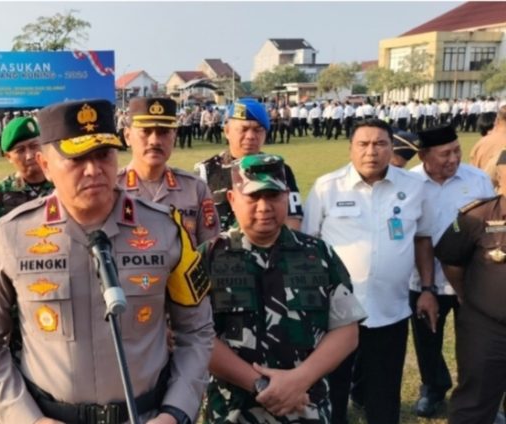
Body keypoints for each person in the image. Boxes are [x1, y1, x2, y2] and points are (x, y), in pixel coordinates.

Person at [0, 99, 215, 424]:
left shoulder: (166, 229)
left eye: (103, 154)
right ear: (45, 164)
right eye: (77, 158)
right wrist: (24, 418)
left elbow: (196, 330)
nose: (94, 169)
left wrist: (176, 412)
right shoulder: (11, 236)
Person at [202, 154, 366, 423]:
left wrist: (299, 380)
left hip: (305, 408)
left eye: (273, 196)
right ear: (232, 199)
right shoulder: (209, 257)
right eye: (253, 197)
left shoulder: (318, 254)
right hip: (233, 412)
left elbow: (347, 331)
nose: (264, 206)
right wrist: (261, 385)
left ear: (287, 197)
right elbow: (196, 335)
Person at [302, 118, 437, 424]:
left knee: (384, 394)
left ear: (393, 148)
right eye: (363, 144)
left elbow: (422, 239)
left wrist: (427, 289)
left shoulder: (414, 188)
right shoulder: (327, 187)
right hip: (336, 314)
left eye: (380, 144)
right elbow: (309, 246)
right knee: (332, 391)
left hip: (390, 311)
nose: (371, 151)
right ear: (350, 149)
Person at [407, 125, 496, 418]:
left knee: (476, 345)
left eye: (457, 150)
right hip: (423, 280)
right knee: (427, 341)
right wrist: (427, 289)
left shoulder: (478, 179)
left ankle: (482, 399)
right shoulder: (409, 184)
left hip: (472, 282)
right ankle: (433, 389)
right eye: (445, 153)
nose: (453, 158)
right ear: (423, 156)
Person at [434, 150, 506, 424]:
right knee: (474, 400)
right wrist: (469, 297)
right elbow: (452, 261)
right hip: (488, 326)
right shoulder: (477, 216)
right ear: (500, 177)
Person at [118, 97, 219, 246]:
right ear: (127, 136)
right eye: (145, 131)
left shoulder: (195, 189)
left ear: (174, 136)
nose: (154, 141)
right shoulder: (111, 188)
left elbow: (210, 250)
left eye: (163, 132)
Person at [196, 98, 304, 232]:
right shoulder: (205, 172)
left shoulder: (279, 169)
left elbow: (292, 222)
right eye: (244, 129)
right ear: (227, 131)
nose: (251, 136)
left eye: (258, 130)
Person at [0, 115, 54, 234]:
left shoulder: (61, 182)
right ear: (8, 157)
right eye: (20, 150)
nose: (30, 155)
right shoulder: (0, 192)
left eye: (34, 146)